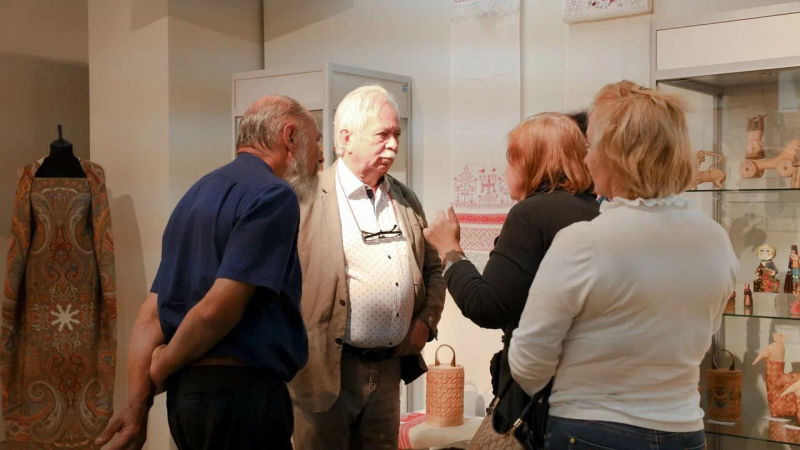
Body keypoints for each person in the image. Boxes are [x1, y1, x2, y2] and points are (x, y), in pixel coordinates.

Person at [509, 81, 739, 450]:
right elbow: (704, 330)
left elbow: (528, 363)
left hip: (592, 430)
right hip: (684, 431)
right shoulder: (716, 239)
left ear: (616, 155)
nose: (586, 159)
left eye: (591, 147)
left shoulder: (584, 242)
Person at [94, 95, 321, 450]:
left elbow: (151, 315)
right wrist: (160, 366)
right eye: (317, 141)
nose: (320, 157)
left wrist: (137, 405)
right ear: (289, 136)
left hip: (188, 401)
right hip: (241, 400)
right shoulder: (274, 195)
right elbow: (218, 309)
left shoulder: (194, 196)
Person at [290, 84, 446, 450]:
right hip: (326, 371)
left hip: (388, 370)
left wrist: (426, 320)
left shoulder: (405, 198)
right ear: (346, 138)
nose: (393, 145)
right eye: (382, 135)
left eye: (397, 135)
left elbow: (433, 269)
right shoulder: (306, 197)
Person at [423, 113, 599, 428]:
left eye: (511, 160)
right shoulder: (599, 210)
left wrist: (449, 249)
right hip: (590, 388)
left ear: (530, 163)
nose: (505, 171)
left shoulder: (530, 215)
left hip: (539, 394)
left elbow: (487, 305)